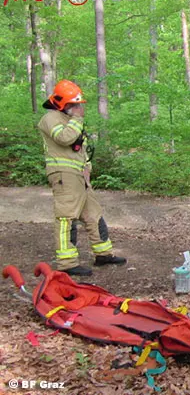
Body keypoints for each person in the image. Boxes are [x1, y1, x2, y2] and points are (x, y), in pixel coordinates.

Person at [37, 80, 126, 276]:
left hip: (80, 176)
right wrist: (77, 119)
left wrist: (87, 167)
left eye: (78, 105)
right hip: (64, 175)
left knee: (94, 215)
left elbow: (79, 149)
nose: (78, 108)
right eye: (74, 104)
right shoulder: (50, 118)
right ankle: (67, 263)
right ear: (62, 103)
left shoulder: (70, 119)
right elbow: (64, 138)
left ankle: (103, 254)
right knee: (66, 217)